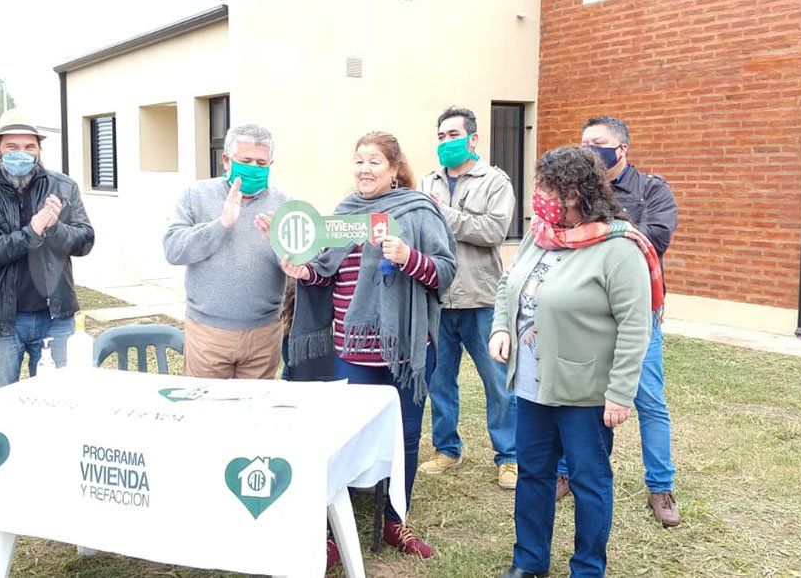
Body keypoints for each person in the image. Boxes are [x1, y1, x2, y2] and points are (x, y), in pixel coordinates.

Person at [283, 131, 456, 562]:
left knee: (405, 436)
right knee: (344, 438)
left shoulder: (419, 211)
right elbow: (326, 270)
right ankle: (329, 529)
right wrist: (304, 272)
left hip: (406, 350)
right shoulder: (343, 214)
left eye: (374, 161)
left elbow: (446, 271)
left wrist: (408, 258)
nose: (364, 169)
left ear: (394, 169)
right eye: (359, 160)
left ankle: (396, 520)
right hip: (352, 350)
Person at [492, 146, 662, 578]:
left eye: (553, 190)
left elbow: (635, 326)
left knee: (589, 482)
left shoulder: (617, 248)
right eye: (542, 187)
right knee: (534, 474)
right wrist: (500, 327)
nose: (543, 198)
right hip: (532, 385)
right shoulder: (539, 235)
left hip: (586, 393)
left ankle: (587, 568)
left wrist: (620, 393)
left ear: (580, 194)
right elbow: (508, 284)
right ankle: (529, 561)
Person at [559, 115, 681, 526]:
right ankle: (568, 473)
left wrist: (597, 236)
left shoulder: (652, 189)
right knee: (580, 396)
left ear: (621, 148)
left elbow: (653, 238)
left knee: (648, 399)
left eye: (597, 142)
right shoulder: (576, 192)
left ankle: (661, 487)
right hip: (587, 313)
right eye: (583, 143)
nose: (588, 150)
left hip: (636, 313)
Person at [0, 110, 95, 391]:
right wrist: (29, 234)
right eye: (12, 147)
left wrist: (54, 227)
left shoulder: (63, 187)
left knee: (61, 400)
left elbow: (84, 242)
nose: (22, 153)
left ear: (39, 149)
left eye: (29, 146)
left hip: (56, 318)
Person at [417, 106, 519, 489]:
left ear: (473, 139)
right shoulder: (428, 181)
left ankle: (509, 456)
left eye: (453, 135)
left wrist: (442, 214)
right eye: (441, 136)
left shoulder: (494, 181)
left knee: (497, 381)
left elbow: (494, 230)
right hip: (438, 299)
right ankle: (446, 448)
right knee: (440, 380)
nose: (446, 142)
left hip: (481, 299)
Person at [163, 124, 289, 380]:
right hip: (208, 333)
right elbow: (173, 249)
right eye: (246, 161)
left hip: (263, 334)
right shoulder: (196, 195)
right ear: (226, 160)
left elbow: (296, 262)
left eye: (261, 163)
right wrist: (221, 225)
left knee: (257, 404)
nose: (254, 167)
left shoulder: (284, 203)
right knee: (205, 403)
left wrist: (279, 243)